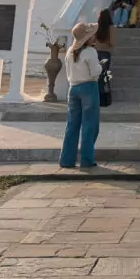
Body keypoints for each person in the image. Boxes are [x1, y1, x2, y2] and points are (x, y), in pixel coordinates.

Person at [59, 22, 102, 169]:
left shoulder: (70, 51)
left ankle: (67, 160)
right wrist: (101, 65)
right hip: (88, 87)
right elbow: (95, 72)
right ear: (87, 38)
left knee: (72, 125)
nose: (94, 37)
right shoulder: (90, 51)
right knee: (90, 125)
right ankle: (86, 160)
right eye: (91, 35)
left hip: (73, 88)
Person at [94, 9, 114, 108]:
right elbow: (112, 42)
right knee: (104, 76)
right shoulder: (110, 28)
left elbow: (93, 40)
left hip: (96, 52)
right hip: (106, 52)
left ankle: (96, 97)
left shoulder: (96, 26)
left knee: (97, 76)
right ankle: (103, 99)